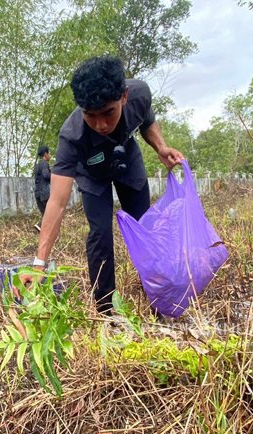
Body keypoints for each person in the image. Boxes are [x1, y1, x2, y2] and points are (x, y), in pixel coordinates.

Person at [19, 56, 185, 315]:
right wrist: (39, 263)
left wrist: (161, 146)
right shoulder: (71, 136)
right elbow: (57, 201)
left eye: (108, 112)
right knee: (100, 234)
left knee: (144, 228)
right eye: (90, 116)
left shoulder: (140, 94)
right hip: (91, 174)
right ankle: (106, 310)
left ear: (124, 97)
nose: (101, 125)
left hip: (126, 160)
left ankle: (158, 299)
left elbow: (147, 121)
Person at [32, 145, 52, 231]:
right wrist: (55, 175)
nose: (50, 155)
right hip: (45, 194)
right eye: (49, 153)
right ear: (45, 154)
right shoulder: (44, 163)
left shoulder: (36, 166)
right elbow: (46, 175)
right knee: (51, 214)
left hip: (37, 194)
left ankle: (43, 231)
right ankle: (40, 226)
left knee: (45, 215)